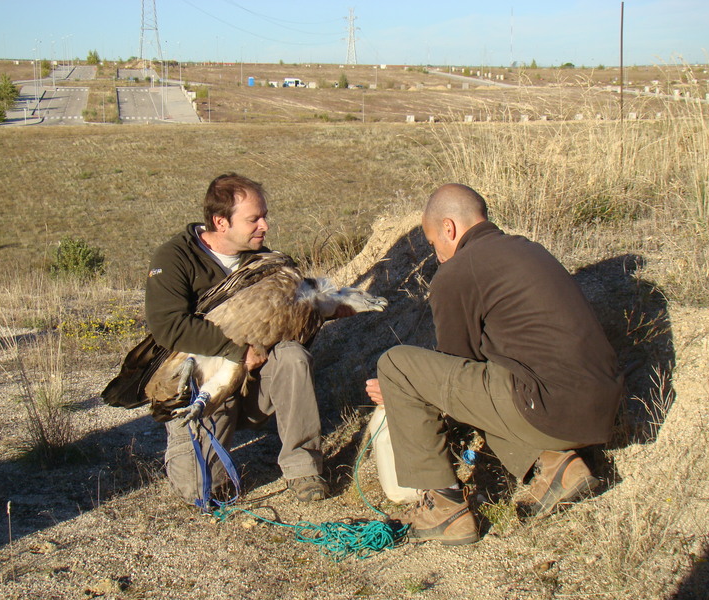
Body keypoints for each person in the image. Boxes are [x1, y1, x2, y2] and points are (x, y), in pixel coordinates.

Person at [365, 183, 623, 545]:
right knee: (498, 381)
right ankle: (558, 466)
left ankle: (444, 509)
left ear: (449, 229)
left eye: (433, 242)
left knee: (397, 365)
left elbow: (456, 373)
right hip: (602, 407)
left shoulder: (456, 273)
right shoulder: (528, 250)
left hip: (550, 407)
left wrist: (400, 391)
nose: (437, 254)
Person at [145, 173, 328, 505]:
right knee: (199, 492)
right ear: (220, 222)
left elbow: (287, 321)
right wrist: (236, 352)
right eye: (254, 219)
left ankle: (304, 469)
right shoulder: (176, 258)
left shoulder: (266, 263)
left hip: (257, 383)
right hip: (206, 385)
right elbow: (168, 326)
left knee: (292, 356)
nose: (265, 226)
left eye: (265, 216)